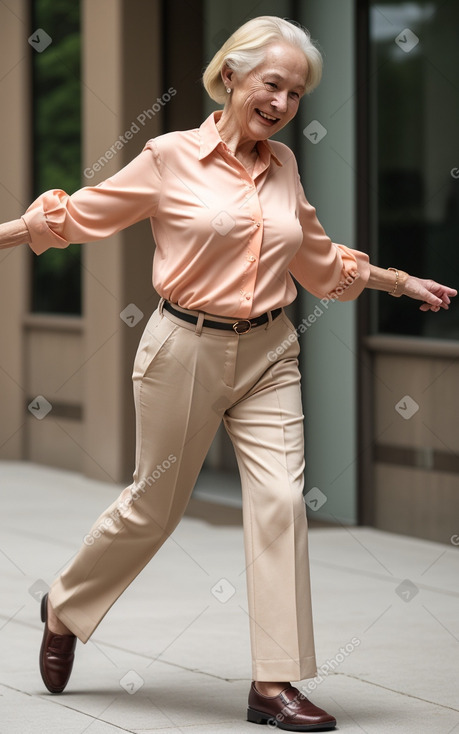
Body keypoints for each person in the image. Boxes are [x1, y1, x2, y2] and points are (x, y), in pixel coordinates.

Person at [0, 15, 456, 732]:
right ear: (232, 77)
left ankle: (272, 686)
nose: (281, 102)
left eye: (296, 93)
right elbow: (84, 216)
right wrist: (9, 234)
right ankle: (65, 605)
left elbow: (312, 254)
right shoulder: (167, 155)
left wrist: (396, 282)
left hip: (270, 351)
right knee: (153, 508)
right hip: (183, 347)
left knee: (279, 503)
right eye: (271, 83)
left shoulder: (282, 166)